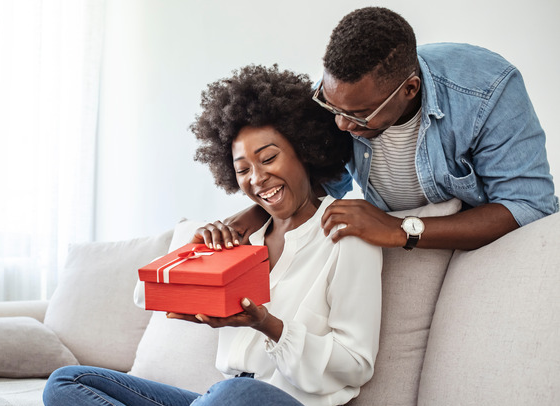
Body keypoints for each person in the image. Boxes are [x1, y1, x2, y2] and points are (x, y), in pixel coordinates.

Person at [43, 65, 382, 406]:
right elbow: (146, 297)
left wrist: (266, 325)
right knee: (67, 384)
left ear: (305, 151)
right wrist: (192, 252)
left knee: (235, 393)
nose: (256, 179)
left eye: (268, 159)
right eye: (243, 170)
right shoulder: (240, 239)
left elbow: (355, 364)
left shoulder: (346, 235)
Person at [222, 7, 557, 251]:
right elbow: (322, 182)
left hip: (485, 248)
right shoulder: (335, 99)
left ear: (409, 90)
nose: (340, 124)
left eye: (359, 115)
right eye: (333, 107)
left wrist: (401, 230)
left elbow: (529, 206)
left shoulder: (486, 90)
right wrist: (258, 212)